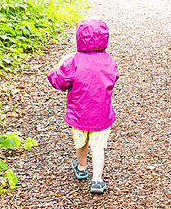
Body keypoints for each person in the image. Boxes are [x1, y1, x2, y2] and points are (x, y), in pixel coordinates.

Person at [47, 16, 118, 195]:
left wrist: (55, 69)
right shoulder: (108, 59)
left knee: (81, 142)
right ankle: (97, 180)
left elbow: (60, 82)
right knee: (98, 145)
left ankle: (81, 167)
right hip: (101, 114)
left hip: (79, 114)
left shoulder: (73, 60)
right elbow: (113, 78)